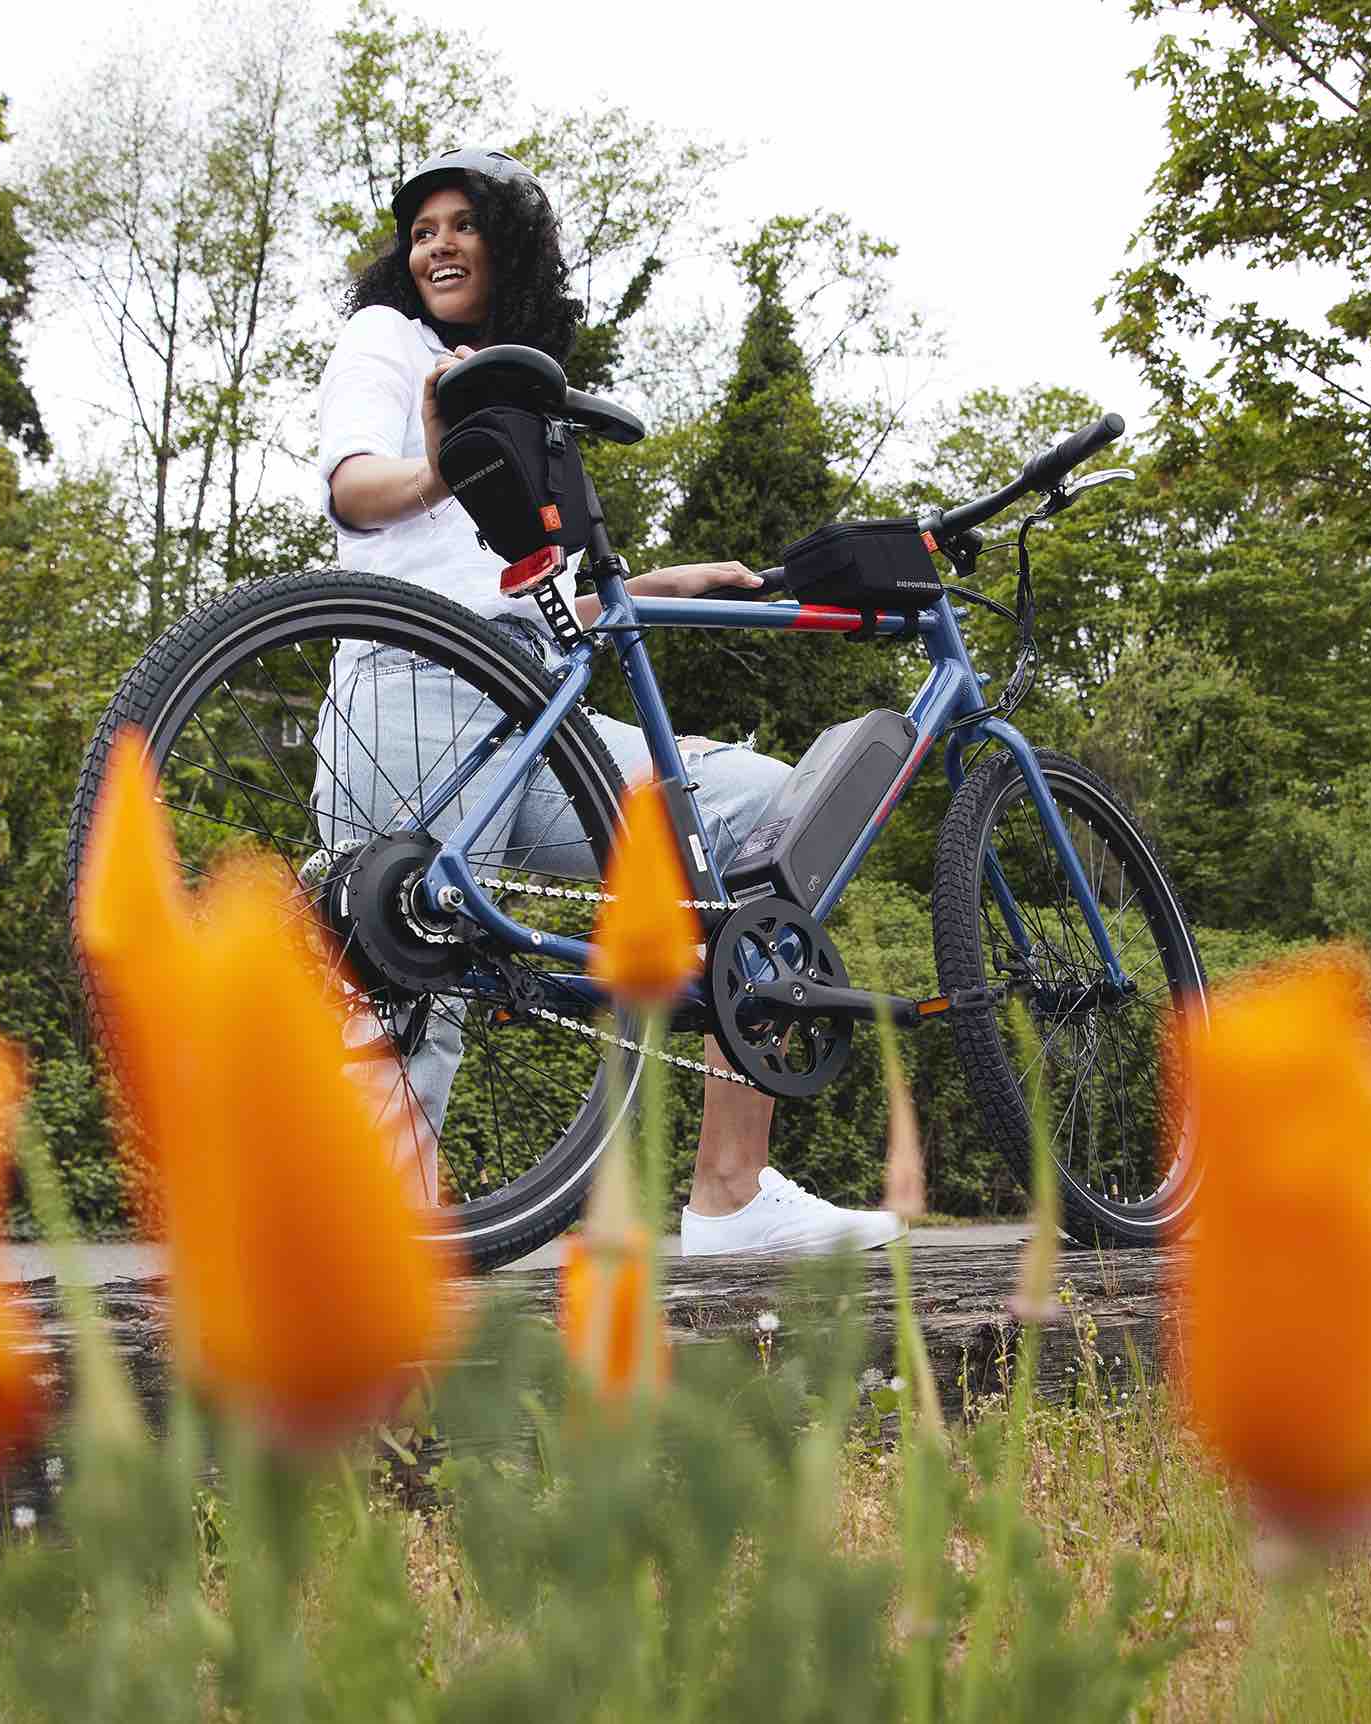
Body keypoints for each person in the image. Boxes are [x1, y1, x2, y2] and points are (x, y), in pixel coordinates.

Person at [315, 146, 900, 1256]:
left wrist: (661, 582)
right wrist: (438, 467)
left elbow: (520, 587)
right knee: (407, 1000)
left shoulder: (523, 391)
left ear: (511, 245)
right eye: (422, 227)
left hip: (539, 714)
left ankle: (732, 1188)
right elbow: (356, 488)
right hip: (411, 693)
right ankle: (360, 1278)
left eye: (462, 224)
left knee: (770, 818)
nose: (436, 243)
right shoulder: (386, 341)